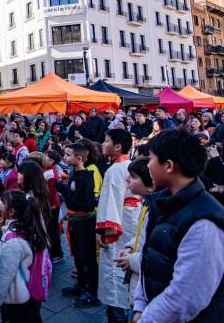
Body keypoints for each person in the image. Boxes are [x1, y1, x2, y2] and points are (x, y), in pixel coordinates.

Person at [132, 130, 224, 323]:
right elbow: (150, 260)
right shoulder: (165, 203)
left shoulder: (205, 222)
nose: (147, 164)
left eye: (150, 159)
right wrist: (140, 304)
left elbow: (186, 298)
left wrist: (147, 318)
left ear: (168, 166)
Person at [96, 129, 140, 323]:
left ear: (118, 146)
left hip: (119, 220)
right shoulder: (129, 165)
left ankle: (117, 315)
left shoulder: (115, 170)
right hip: (131, 217)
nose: (103, 144)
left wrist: (106, 231)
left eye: (106, 141)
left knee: (114, 269)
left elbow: (111, 202)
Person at [57, 144, 100, 308]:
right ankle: (82, 284)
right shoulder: (76, 175)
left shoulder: (85, 177)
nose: (65, 157)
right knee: (78, 254)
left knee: (87, 257)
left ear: (79, 158)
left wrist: (63, 188)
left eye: (68, 155)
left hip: (85, 223)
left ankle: (92, 291)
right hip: (76, 222)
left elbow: (82, 204)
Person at [0, 190, 48, 323]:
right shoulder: (27, 227)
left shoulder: (13, 243)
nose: (0, 206)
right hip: (30, 294)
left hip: (17, 300)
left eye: (3, 203)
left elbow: (5, 277)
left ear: (11, 211)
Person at [113, 158, 155, 310]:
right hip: (136, 284)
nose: (127, 179)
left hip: (144, 290)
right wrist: (131, 247)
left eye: (133, 176)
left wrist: (132, 259)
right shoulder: (147, 205)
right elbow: (140, 235)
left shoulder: (156, 212)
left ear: (151, 185)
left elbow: (158, 259)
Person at [76, 138, 104, 205]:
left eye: (77, 150)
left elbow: (95, 195)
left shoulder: (92, 170)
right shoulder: (80, 168)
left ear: (87, 153)